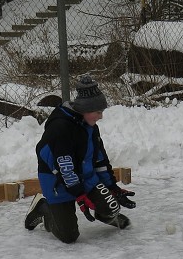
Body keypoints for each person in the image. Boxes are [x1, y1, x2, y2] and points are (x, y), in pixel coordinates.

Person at [24, 75, 136, 243]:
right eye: (98, 112)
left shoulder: (90, 127)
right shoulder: (60, 128)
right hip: (57, 181)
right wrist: (80, 195)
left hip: (84, 177)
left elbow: (100, 160)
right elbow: (65, 169)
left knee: (111, 207)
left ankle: (105, 214)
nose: (101, 117)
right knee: (69, 236)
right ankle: (43, 208)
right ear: (86, 109)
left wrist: (112, 187)